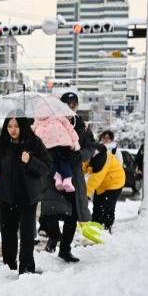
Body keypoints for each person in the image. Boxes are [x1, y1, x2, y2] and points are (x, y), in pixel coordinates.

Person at [0, 113, 51, 274]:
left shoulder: (34, 143)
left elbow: (47, 166)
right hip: (7, 195)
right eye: (9, 126)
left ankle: (26, 266)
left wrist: (31, 160)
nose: (12, 130)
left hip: (28, 196)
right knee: (7, 231)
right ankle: (9, 265)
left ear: (22, 126)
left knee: (27, 233)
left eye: (16, 126)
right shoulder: (1, 144)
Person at [41, 92, 96, 262]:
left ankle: (65, 249)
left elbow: (90, 147)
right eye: (67, 104)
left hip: (74, 177)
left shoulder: (82, 126)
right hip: (53, 174)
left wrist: (79, 155)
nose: (70, 108)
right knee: (49, 211)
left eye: (73, 104)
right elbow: (39, 143)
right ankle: (54, 236)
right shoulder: (50, 122)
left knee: (72, 215)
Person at [31, 110, 81, 192]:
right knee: (64, 161)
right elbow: (68, 127)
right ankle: (67, 179)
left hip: (46, 145)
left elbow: (32, 129)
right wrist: (75, 141)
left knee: (51, 162)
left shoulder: (37, 119)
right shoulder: (57, 114)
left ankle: (57, 177)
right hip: (62, 143)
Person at [83, 144, 126, 232]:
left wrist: (86, 194)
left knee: (107, 206)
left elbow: (96, 178)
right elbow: (84, 165)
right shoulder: (90, 153)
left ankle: (107, 227)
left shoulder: (101, 159)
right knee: (97, 204)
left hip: (115, 182)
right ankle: (95, 224)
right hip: (103, 183)